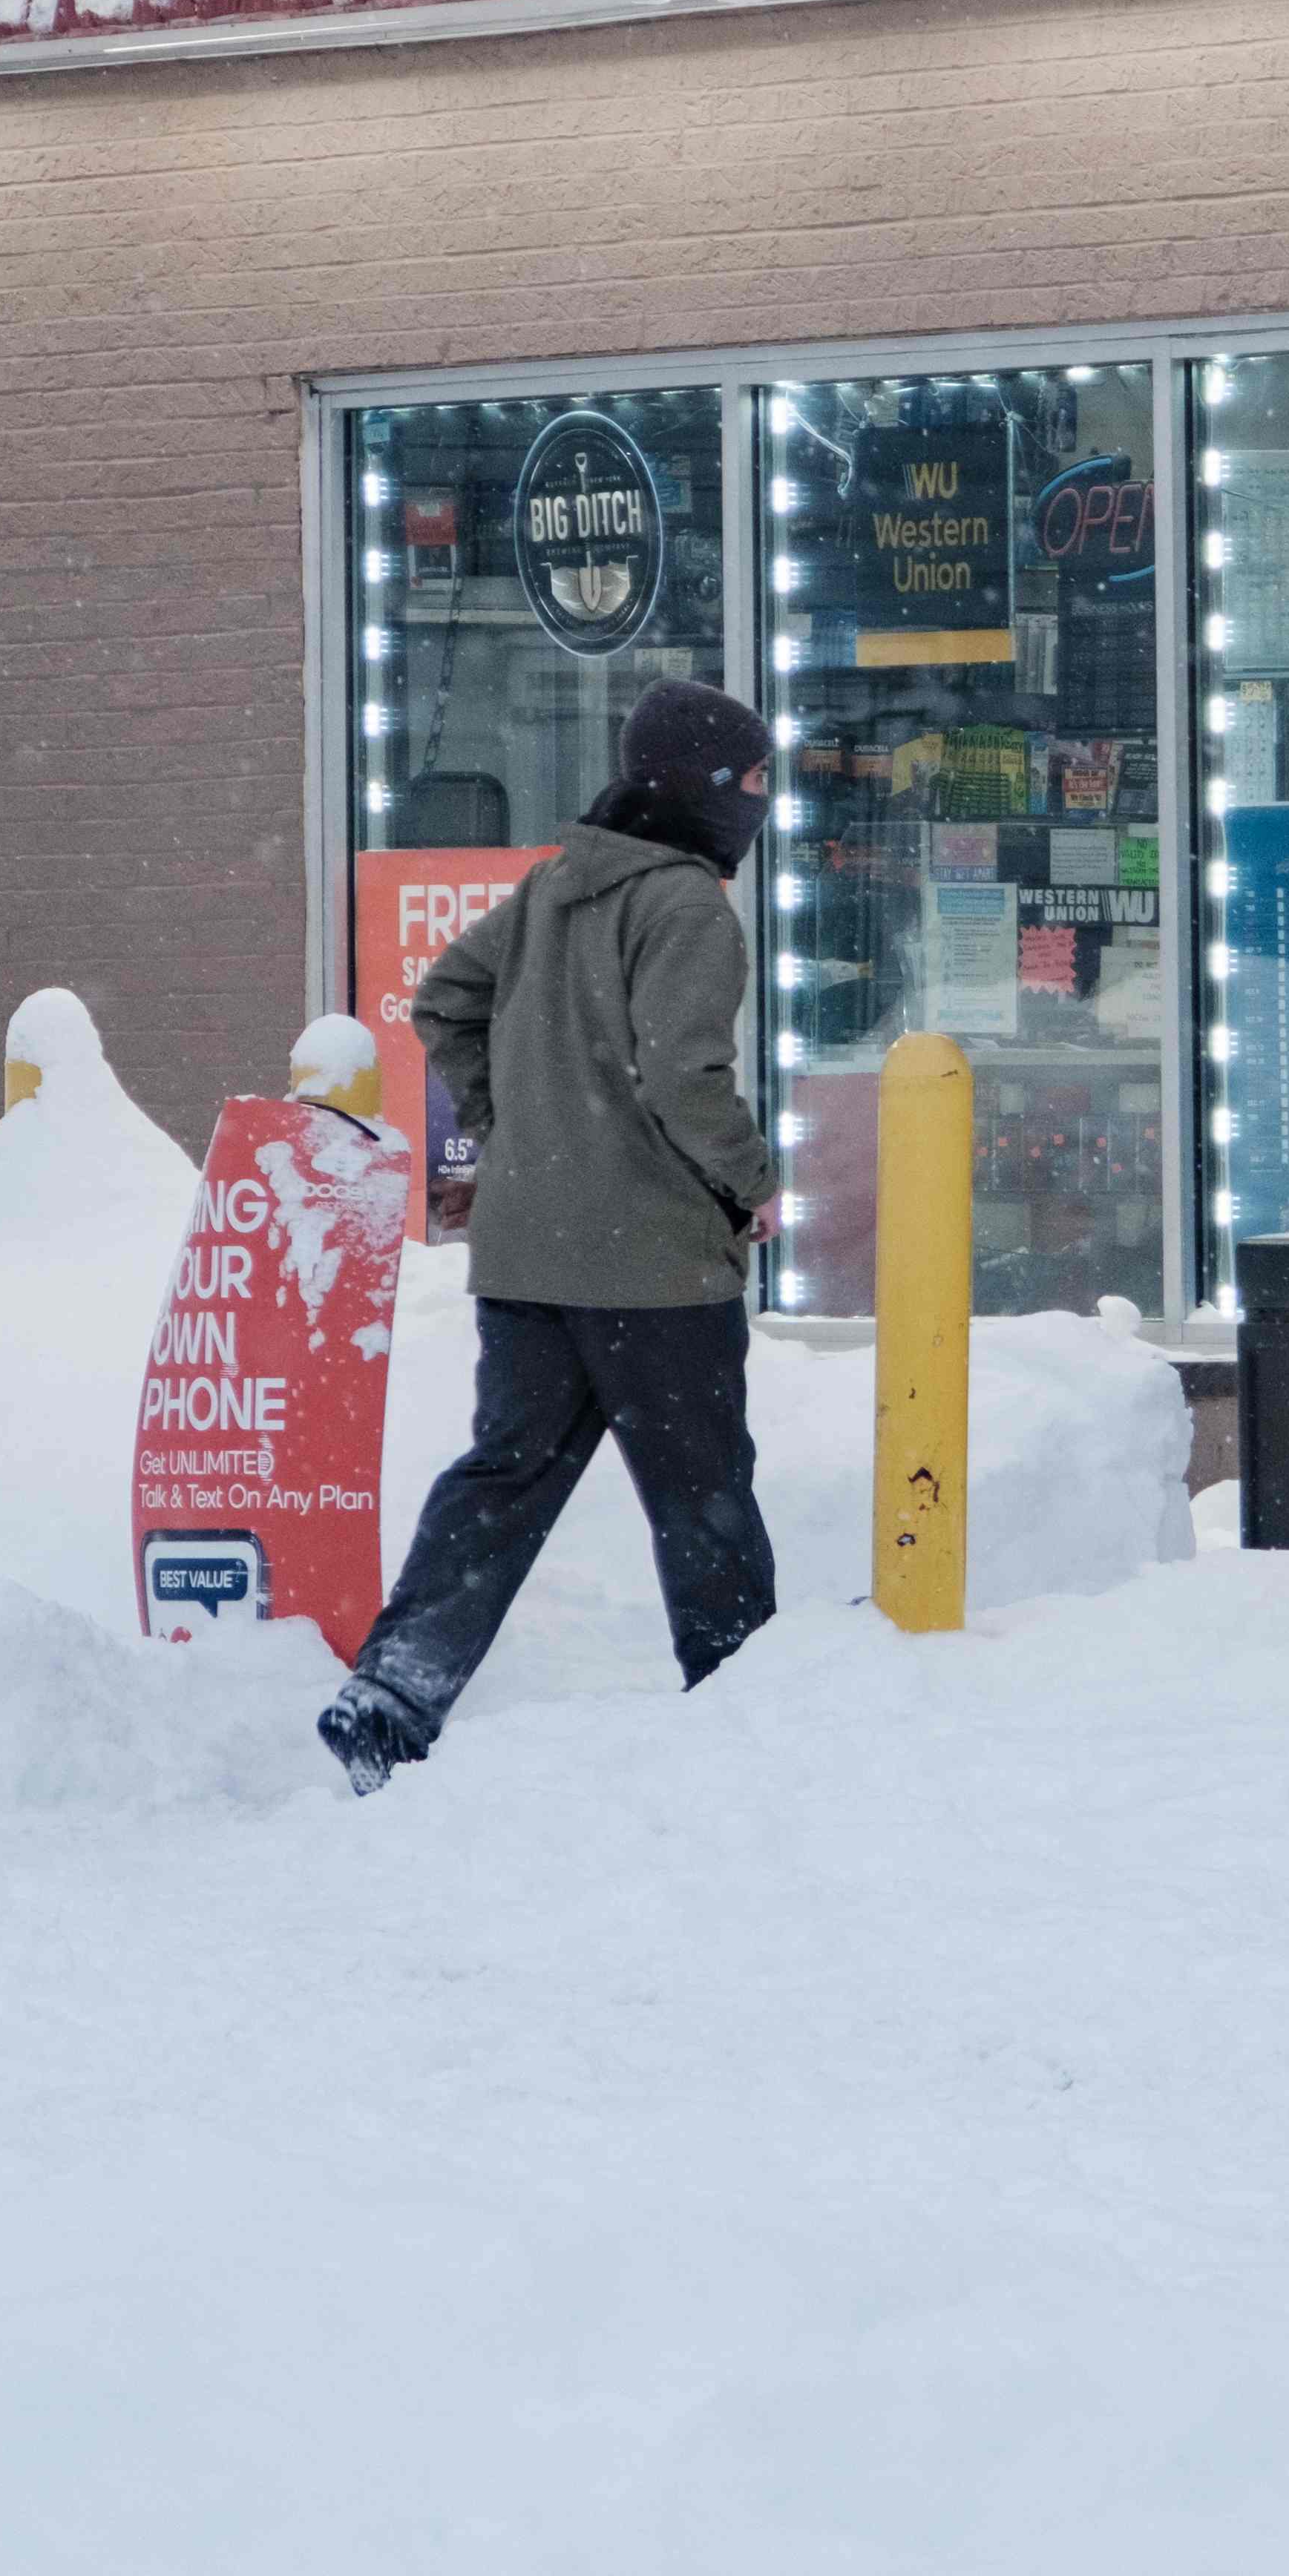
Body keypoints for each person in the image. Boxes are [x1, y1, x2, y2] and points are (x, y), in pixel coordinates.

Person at [320, 678, 785, 1792]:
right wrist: (752, 1182)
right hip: (654, 1265)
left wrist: (509, 1127)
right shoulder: (685, 907)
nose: (766, 800)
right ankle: (757, 1709)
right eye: (756, 779)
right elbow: (684, 1076)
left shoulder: (554, 884)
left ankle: (391, 1691)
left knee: (502, 1478)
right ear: (704, 788)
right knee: (702, 1491)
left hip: (528, 1256)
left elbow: (440, 1001)